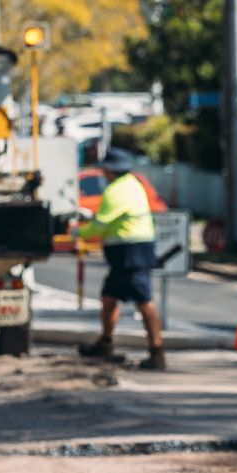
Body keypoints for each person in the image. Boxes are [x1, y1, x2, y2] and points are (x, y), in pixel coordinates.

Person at [76, 149, 164, 370]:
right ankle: (105, 343)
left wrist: (78, 232)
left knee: (144, 300)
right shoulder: (132, 184)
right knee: (109, 296)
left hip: (131, 251)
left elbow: (101, 224)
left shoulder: (116, 190)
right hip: (128, 250)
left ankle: (157, 352)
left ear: (109, 170)